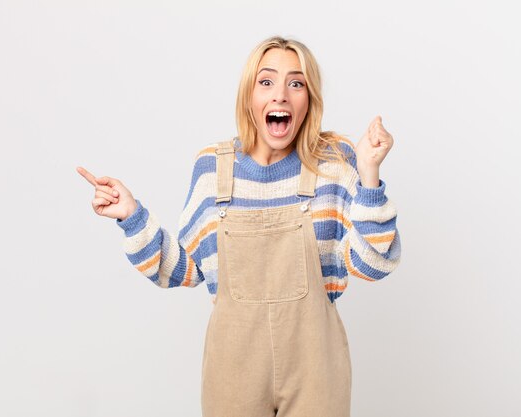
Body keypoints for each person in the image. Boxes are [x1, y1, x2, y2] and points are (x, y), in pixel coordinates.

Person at [77, 35, 401, 417]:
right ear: (249, 97)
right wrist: (132, 217)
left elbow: (372, 264)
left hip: (317, 368)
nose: (280, 95)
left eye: (296, 83)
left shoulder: (333, 164)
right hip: (233, 370)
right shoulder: (213, 167)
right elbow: (182, 270)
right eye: (266, 82)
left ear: (308, 99)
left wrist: (368, 173)